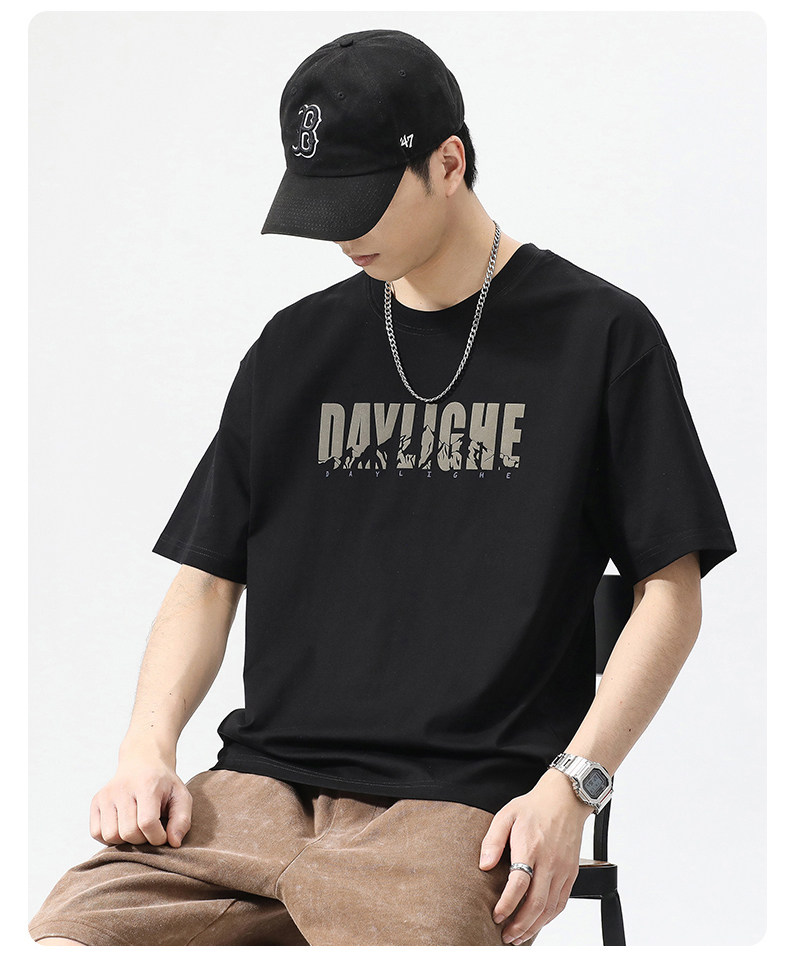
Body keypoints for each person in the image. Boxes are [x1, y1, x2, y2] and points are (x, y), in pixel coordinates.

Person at [29, 28, 737, 947]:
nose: (340, 232)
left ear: (450, 163)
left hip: (458, 811)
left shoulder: (600, 336)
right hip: (253, 796)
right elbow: (206, 580)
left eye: (362, 199)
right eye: (320, 203)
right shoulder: (293, 349)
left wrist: (573, 787)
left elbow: (669, 592)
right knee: (64, 941)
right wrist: (144, 750)